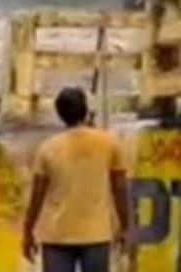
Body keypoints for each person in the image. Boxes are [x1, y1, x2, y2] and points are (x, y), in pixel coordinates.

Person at [22, 87, 130, 272]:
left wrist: (28, 231)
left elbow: (37, 196)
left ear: (59, 114)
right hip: (96, 235)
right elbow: (119, 188)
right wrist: (125, 226)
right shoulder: (109, 143)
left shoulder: (48, 148)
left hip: (56, 236)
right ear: (85, 109)